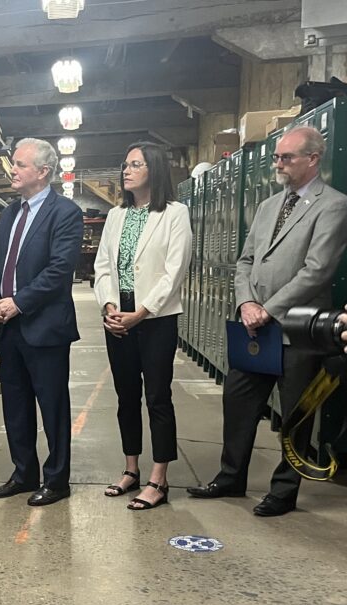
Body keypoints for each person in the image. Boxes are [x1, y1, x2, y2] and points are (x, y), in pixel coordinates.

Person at [188, 125, 347, 516]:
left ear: (312, 159)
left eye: (285, 157)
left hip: (296, 329)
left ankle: (284, 490)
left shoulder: (334, 205)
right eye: (276, 157)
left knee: (295, 413)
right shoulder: (267, 206)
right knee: (238, 399)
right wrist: (246, 304)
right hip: (253, 326)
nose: (277, 164)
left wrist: (268, 309)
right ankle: (230, 477)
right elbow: (244, 261)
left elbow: (318, 270)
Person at [93, 142, 193, 510]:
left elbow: (175, 271)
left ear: (154, 169)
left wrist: (142, 312)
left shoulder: (174, 214)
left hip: (155, 322)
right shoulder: (116, 215)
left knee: (157, 398)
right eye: (125, 164)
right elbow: (103, 266)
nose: (127, 170)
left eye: (135, 164)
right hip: (118, 320)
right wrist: (109, 305)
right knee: (125, 397)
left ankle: (159, 478)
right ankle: (131, 469)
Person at [0, 137, 83, 507]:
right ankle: (23, 473)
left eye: (21, 164)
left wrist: (18, 303)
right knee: (16, 403)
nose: (13, 169)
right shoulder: (10, 213)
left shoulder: (65, 213)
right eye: (14, 163)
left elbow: (59, 270)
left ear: (42, 172)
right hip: (8, 326)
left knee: (52, 405)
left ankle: (57, 480)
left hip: (44, 327)